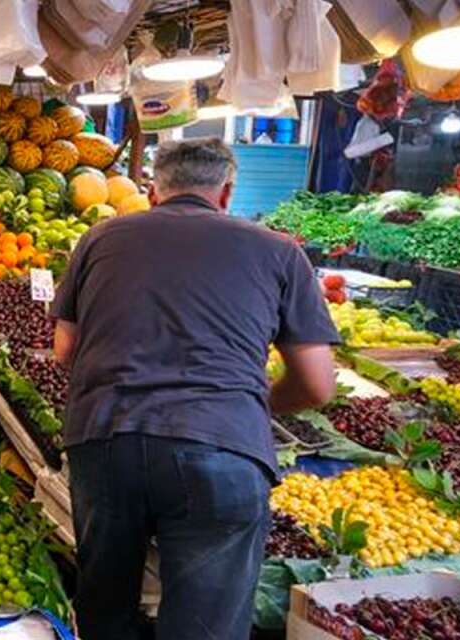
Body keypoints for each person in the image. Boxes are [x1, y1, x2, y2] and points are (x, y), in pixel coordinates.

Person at [50, 138, 339, 639]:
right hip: (222, 452)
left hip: (106, 440)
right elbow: (318, 385)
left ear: (153, 191)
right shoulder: (278, 251)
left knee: (106, 608)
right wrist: (249, 403)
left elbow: (63, 349)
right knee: (204, 626)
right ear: (227, 193)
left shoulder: (100, 238)